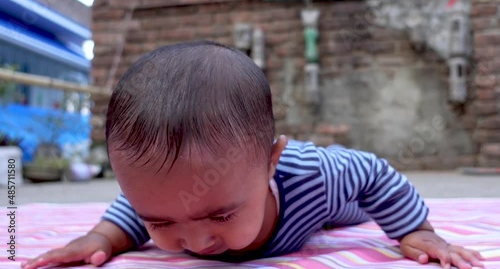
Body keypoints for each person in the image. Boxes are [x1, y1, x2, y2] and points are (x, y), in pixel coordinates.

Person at [22, 40, 484, 269]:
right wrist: (102, 239)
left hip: (333, 207)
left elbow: (374, 173)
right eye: (161, 222)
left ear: (271, 162)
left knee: (352, 200)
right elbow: (131, 206)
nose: (198, 243)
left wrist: (417, 231)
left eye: (220, 215)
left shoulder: (315, 175)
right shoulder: (165, 196)